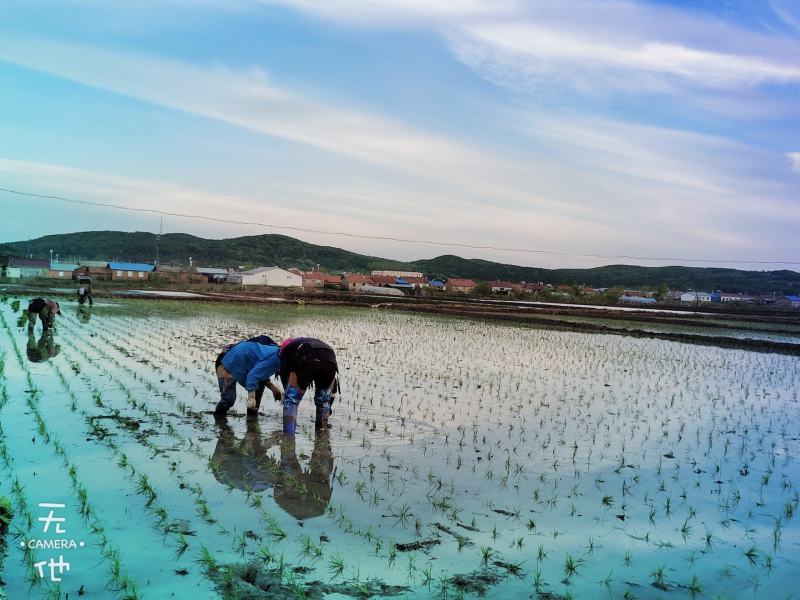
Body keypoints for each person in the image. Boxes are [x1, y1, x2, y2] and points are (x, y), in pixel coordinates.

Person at [210, 418, 334, 519]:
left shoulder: (269, 479)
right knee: (231, 437)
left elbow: (251, 457)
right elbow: (249, 457)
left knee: (238, 438)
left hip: (225, 469)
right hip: (223, 465)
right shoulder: (269, 478)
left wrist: (269, 442)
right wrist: (268, 442)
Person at [278, 337, 339, 433]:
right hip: (330, 357)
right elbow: (333, 387)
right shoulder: (305, 341)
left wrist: (287, 395)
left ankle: (288, 438)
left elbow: (285, 374)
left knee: (291, 401)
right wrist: (329, 404)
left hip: (306, 355)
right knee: (323, 401)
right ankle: (321, 435)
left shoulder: (286, 351)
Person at [214, 335, 282, 417]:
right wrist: (251, 397)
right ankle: (219, 422)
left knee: (259, 386)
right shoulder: (275, 358)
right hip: (227, 364)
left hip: (242, 364)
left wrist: (273, 388)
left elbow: (260, 373)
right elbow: (253, 376)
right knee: (228, 399)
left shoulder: (278, 356)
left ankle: (252, 416)